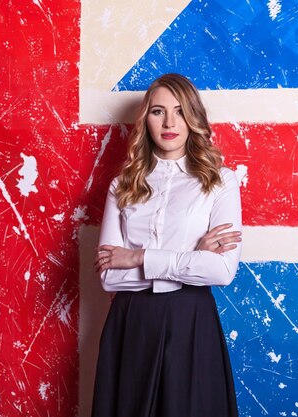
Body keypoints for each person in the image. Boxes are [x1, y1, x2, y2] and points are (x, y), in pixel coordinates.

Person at [92, 73, 242, 417]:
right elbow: (108, 277)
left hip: (191, 324)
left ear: (194, 118)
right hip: (131, 325)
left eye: (179, 111)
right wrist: (191, 260)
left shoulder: (220, 181)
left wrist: (138, 257)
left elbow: (220, 270)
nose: (170, 122)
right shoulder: (122, 185)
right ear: (145, 118)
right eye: (158, 111)